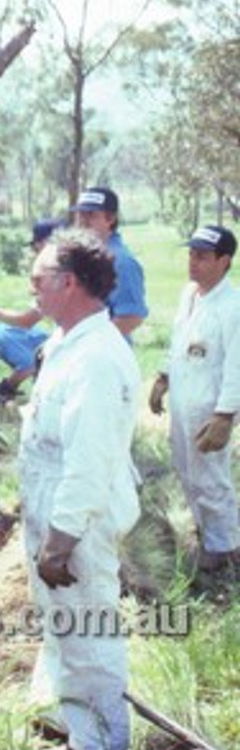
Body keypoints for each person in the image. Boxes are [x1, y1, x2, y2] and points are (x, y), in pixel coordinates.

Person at [19, 228, 140, 750]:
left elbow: (89, 464)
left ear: (68, 283)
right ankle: (78, 728)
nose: (32, 289)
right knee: (64, 626)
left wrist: (60, 541)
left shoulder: (96, 357)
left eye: (39, 279)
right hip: (53, 509)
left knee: (88, 630)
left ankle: (102, 749)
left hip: (78, 523)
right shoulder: (68, 343)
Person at [149, 225, 240, 574]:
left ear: (224, 261)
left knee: (211, 478)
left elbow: (236, 366)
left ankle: (226, 548)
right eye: (191, 254)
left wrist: (225, 415)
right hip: (183, 399)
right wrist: (162, 376)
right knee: (186, 470)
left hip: (209, 406)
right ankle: (208, 534)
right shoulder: (190, 294)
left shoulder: (232, 306)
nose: (193, 262)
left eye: (202, 256)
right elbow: (178, 340)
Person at [0, 187, 149, 341]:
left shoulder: (122, 262)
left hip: (104, 360)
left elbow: (131, 317)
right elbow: (31, 317)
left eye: (91, 215)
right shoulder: (78, 257)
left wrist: (89, 344)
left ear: (110, 219)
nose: (83, 222)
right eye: (80, 215)